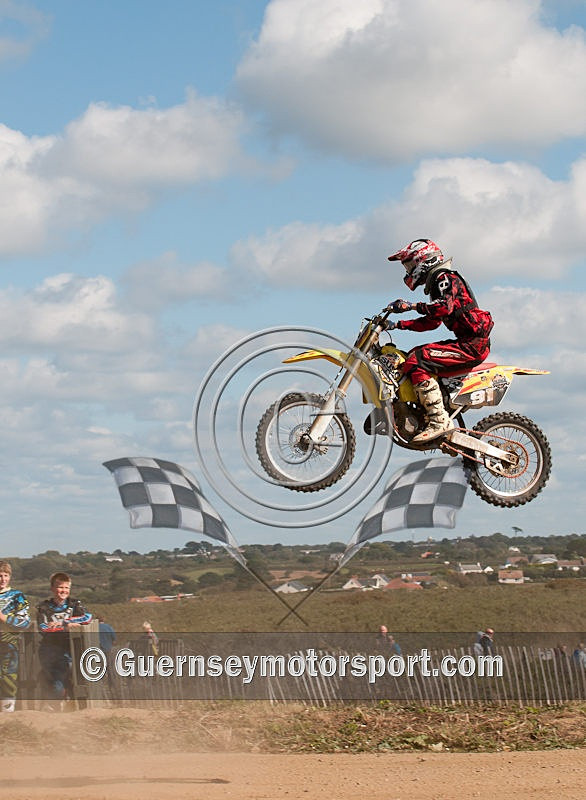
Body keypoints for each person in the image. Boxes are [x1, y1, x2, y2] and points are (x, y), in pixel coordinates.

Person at [384, 239, 493, 443]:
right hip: (467, 342)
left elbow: (444, 307)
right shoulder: (437, 284)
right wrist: (397, 325)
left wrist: (411, 306)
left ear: (423, 260)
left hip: (472, 344)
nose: (408, 270)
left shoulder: (445, 278)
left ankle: (439, 420)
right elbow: (431, 322)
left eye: (409, 264)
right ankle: (425, 410)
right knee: (413, 356)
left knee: (417, 359)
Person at [37, 572, 92, 708]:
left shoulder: (75, 604)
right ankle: (54, 705)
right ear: (52, 588)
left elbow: (87, 618)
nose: (63, 591)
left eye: (66, 588)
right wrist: (65, 627)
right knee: (56, 681)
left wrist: (66, 622)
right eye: (60, 587)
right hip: (51, 651)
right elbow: (43, 627)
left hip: (72, 649)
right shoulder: (44, 607)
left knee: (75, 679)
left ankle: (69, 705)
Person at [0, 561, 30, 712]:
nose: (2, 579)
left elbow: (25, 622)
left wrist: (4, 618)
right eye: (0, 575)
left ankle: (7, 711)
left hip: (8, 643)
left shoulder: (17, 596)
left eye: (5, 575)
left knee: (7, 677)